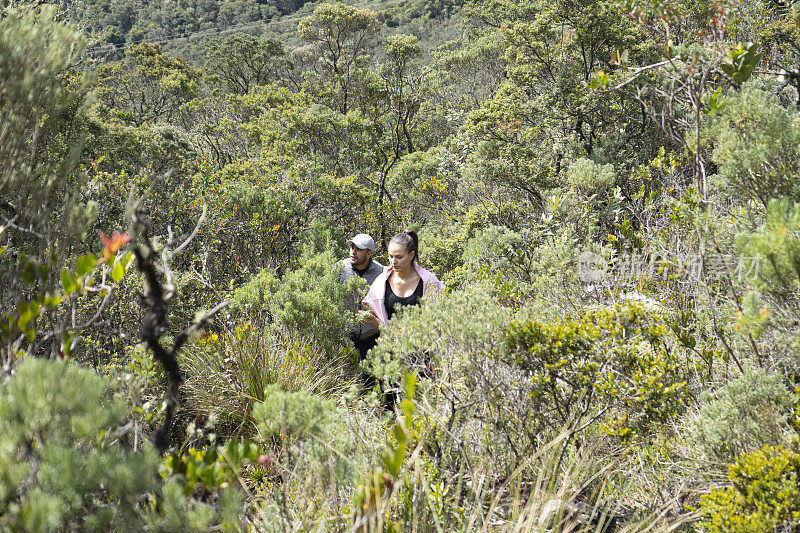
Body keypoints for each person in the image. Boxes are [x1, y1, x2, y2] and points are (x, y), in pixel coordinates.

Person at [363, 230, 444, 329]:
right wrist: (375, 322)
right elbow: (379, 317)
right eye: (390, 256)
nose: (393, 261)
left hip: (423, 342)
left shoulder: (428, 281)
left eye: (399, 257)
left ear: (411, 255)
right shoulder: (381, 282)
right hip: (390, 342)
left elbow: (440, 316)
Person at [340, 233, 384, 364]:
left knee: (369, 380)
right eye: (352, 247)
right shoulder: (340, 268)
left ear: (369, 253)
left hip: (371, 335)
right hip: (346, 334)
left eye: (358, 249)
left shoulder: (381, 272)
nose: (353, 252)